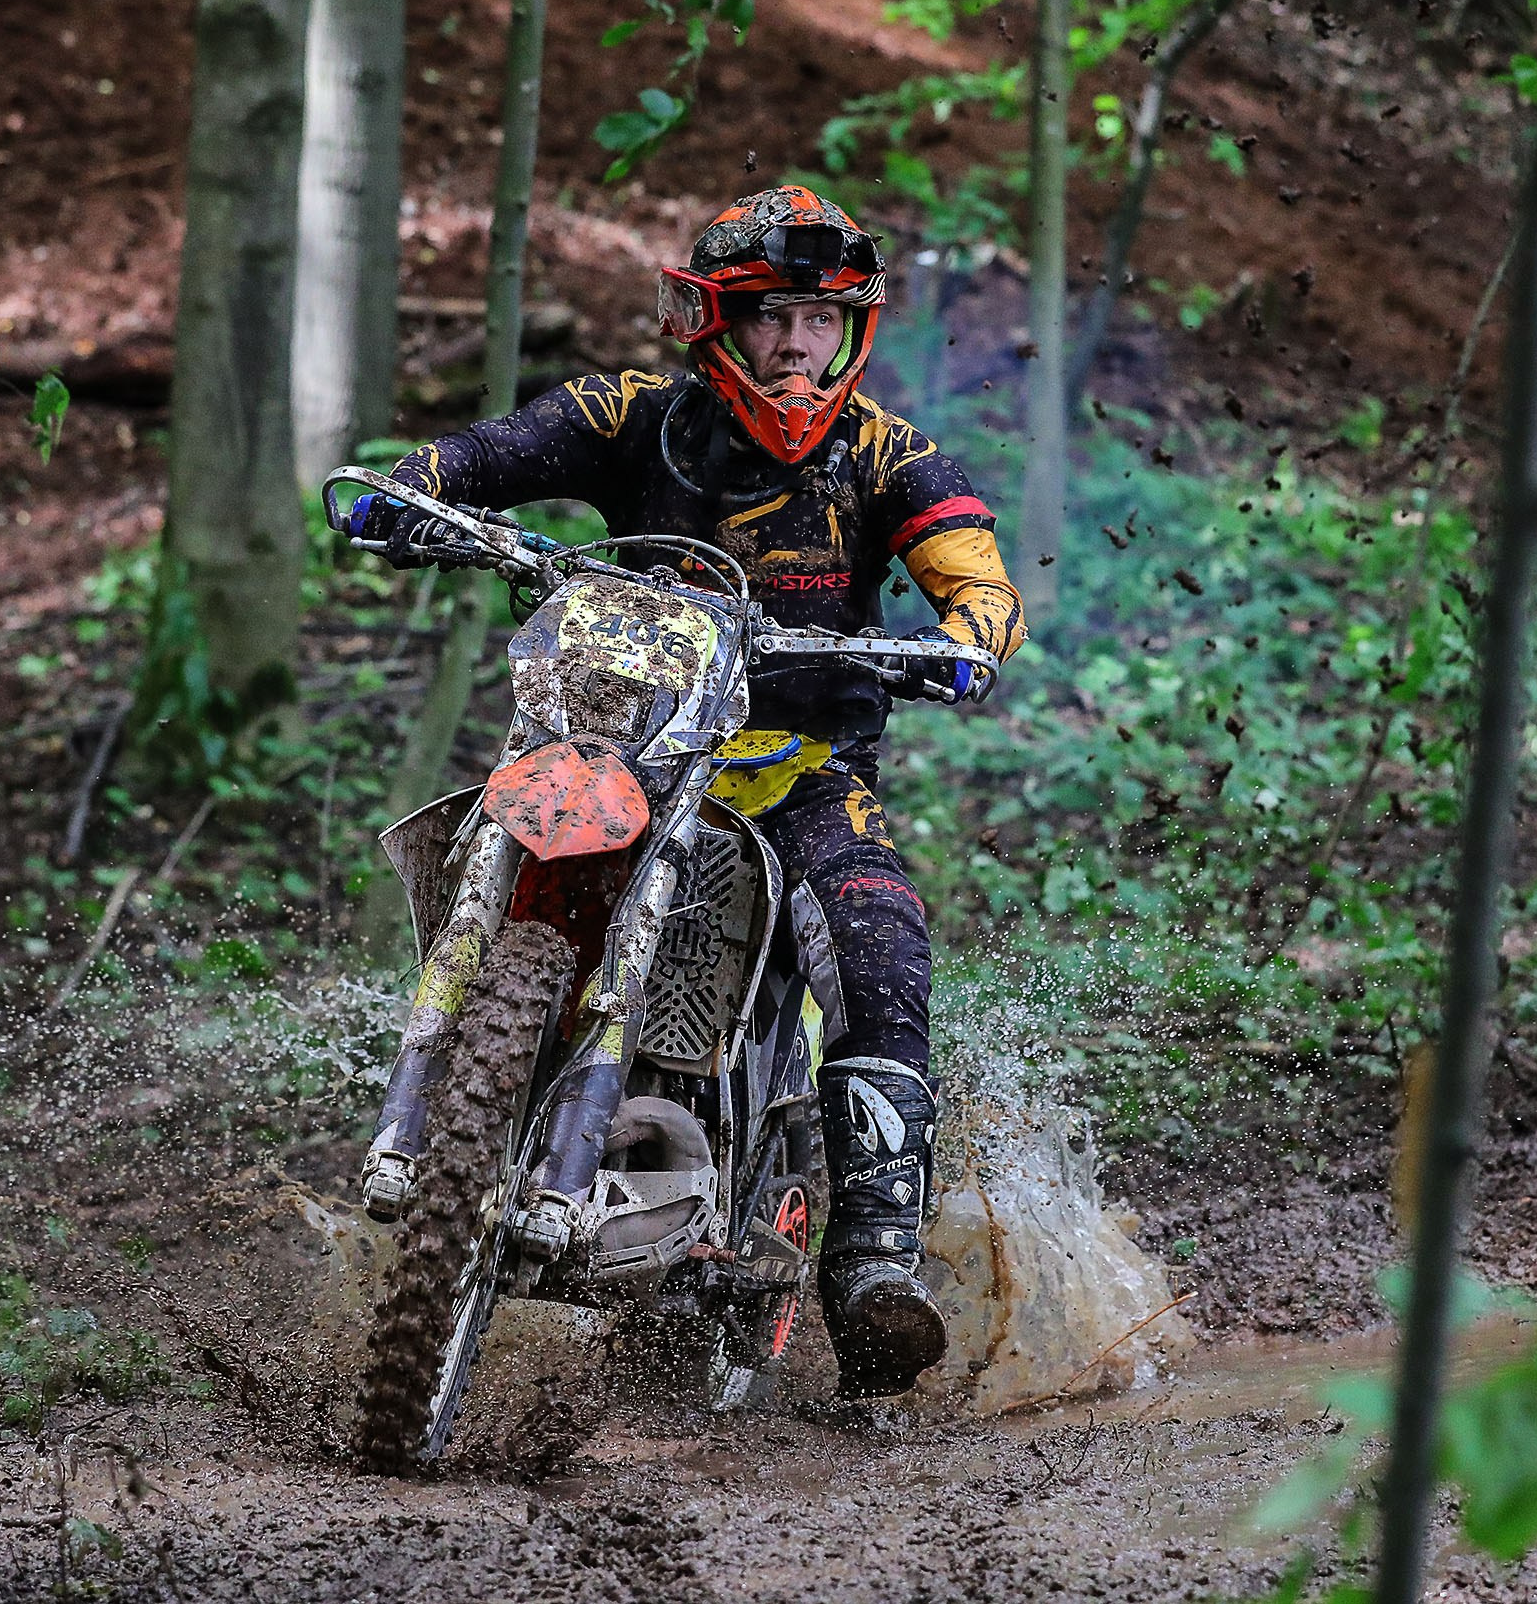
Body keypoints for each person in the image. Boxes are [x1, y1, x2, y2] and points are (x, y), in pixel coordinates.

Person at [345, 185, 1026, 1398]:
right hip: (624, 757)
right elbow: (486, 454)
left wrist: (967, 629)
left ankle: (870, 1268)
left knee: (882, 948)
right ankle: (461, 1118)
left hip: (796, 781)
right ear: (715, 321)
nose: (796, 345)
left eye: (821, 319)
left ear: (851, 328)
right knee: (490, 842)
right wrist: (417, 491)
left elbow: (967, 560)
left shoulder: (889, 453)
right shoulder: (634, 416)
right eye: (771, 317)